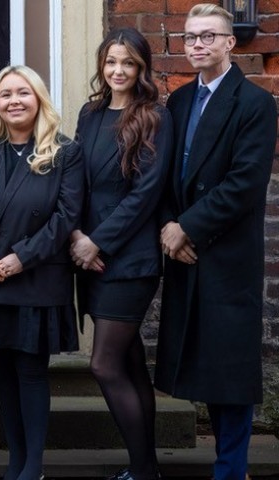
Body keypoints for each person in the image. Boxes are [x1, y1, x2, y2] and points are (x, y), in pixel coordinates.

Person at [156, 4, 277, 480]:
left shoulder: (254, 103)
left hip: (226, 252)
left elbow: (244, 183)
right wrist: (170, 226)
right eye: (190, 37)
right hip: (184, 250)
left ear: (230, 42)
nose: (198, 45)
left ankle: (232, 469)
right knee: (200, 361)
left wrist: (188, 227)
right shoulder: (180, 102)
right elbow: (165, 177)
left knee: (230, 368)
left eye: (209, 36)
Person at [0, 65, 83, 480]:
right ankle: (15, 461)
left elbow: (66, 217)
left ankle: (33, 468)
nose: (14, 101)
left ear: (39, 100)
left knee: (31, 372)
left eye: (23, 93)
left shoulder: (64, 152)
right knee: (4, 372)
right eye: (6, 94)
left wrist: (19, 257)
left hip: (36, 278)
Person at [71, 28, 172, 480]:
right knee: (129, 362)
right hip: (88, 256)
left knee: (104, 363)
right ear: (101, 64)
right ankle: (144, 467)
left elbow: (145, 194)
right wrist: (76, 237)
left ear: (141, 69)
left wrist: (99, 241)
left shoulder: (153, 117)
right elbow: (74, 182)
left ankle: (142, 470)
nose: (118, 71)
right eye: (111, 62)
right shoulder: (90, 114)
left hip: (129, 261)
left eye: (127, 63)